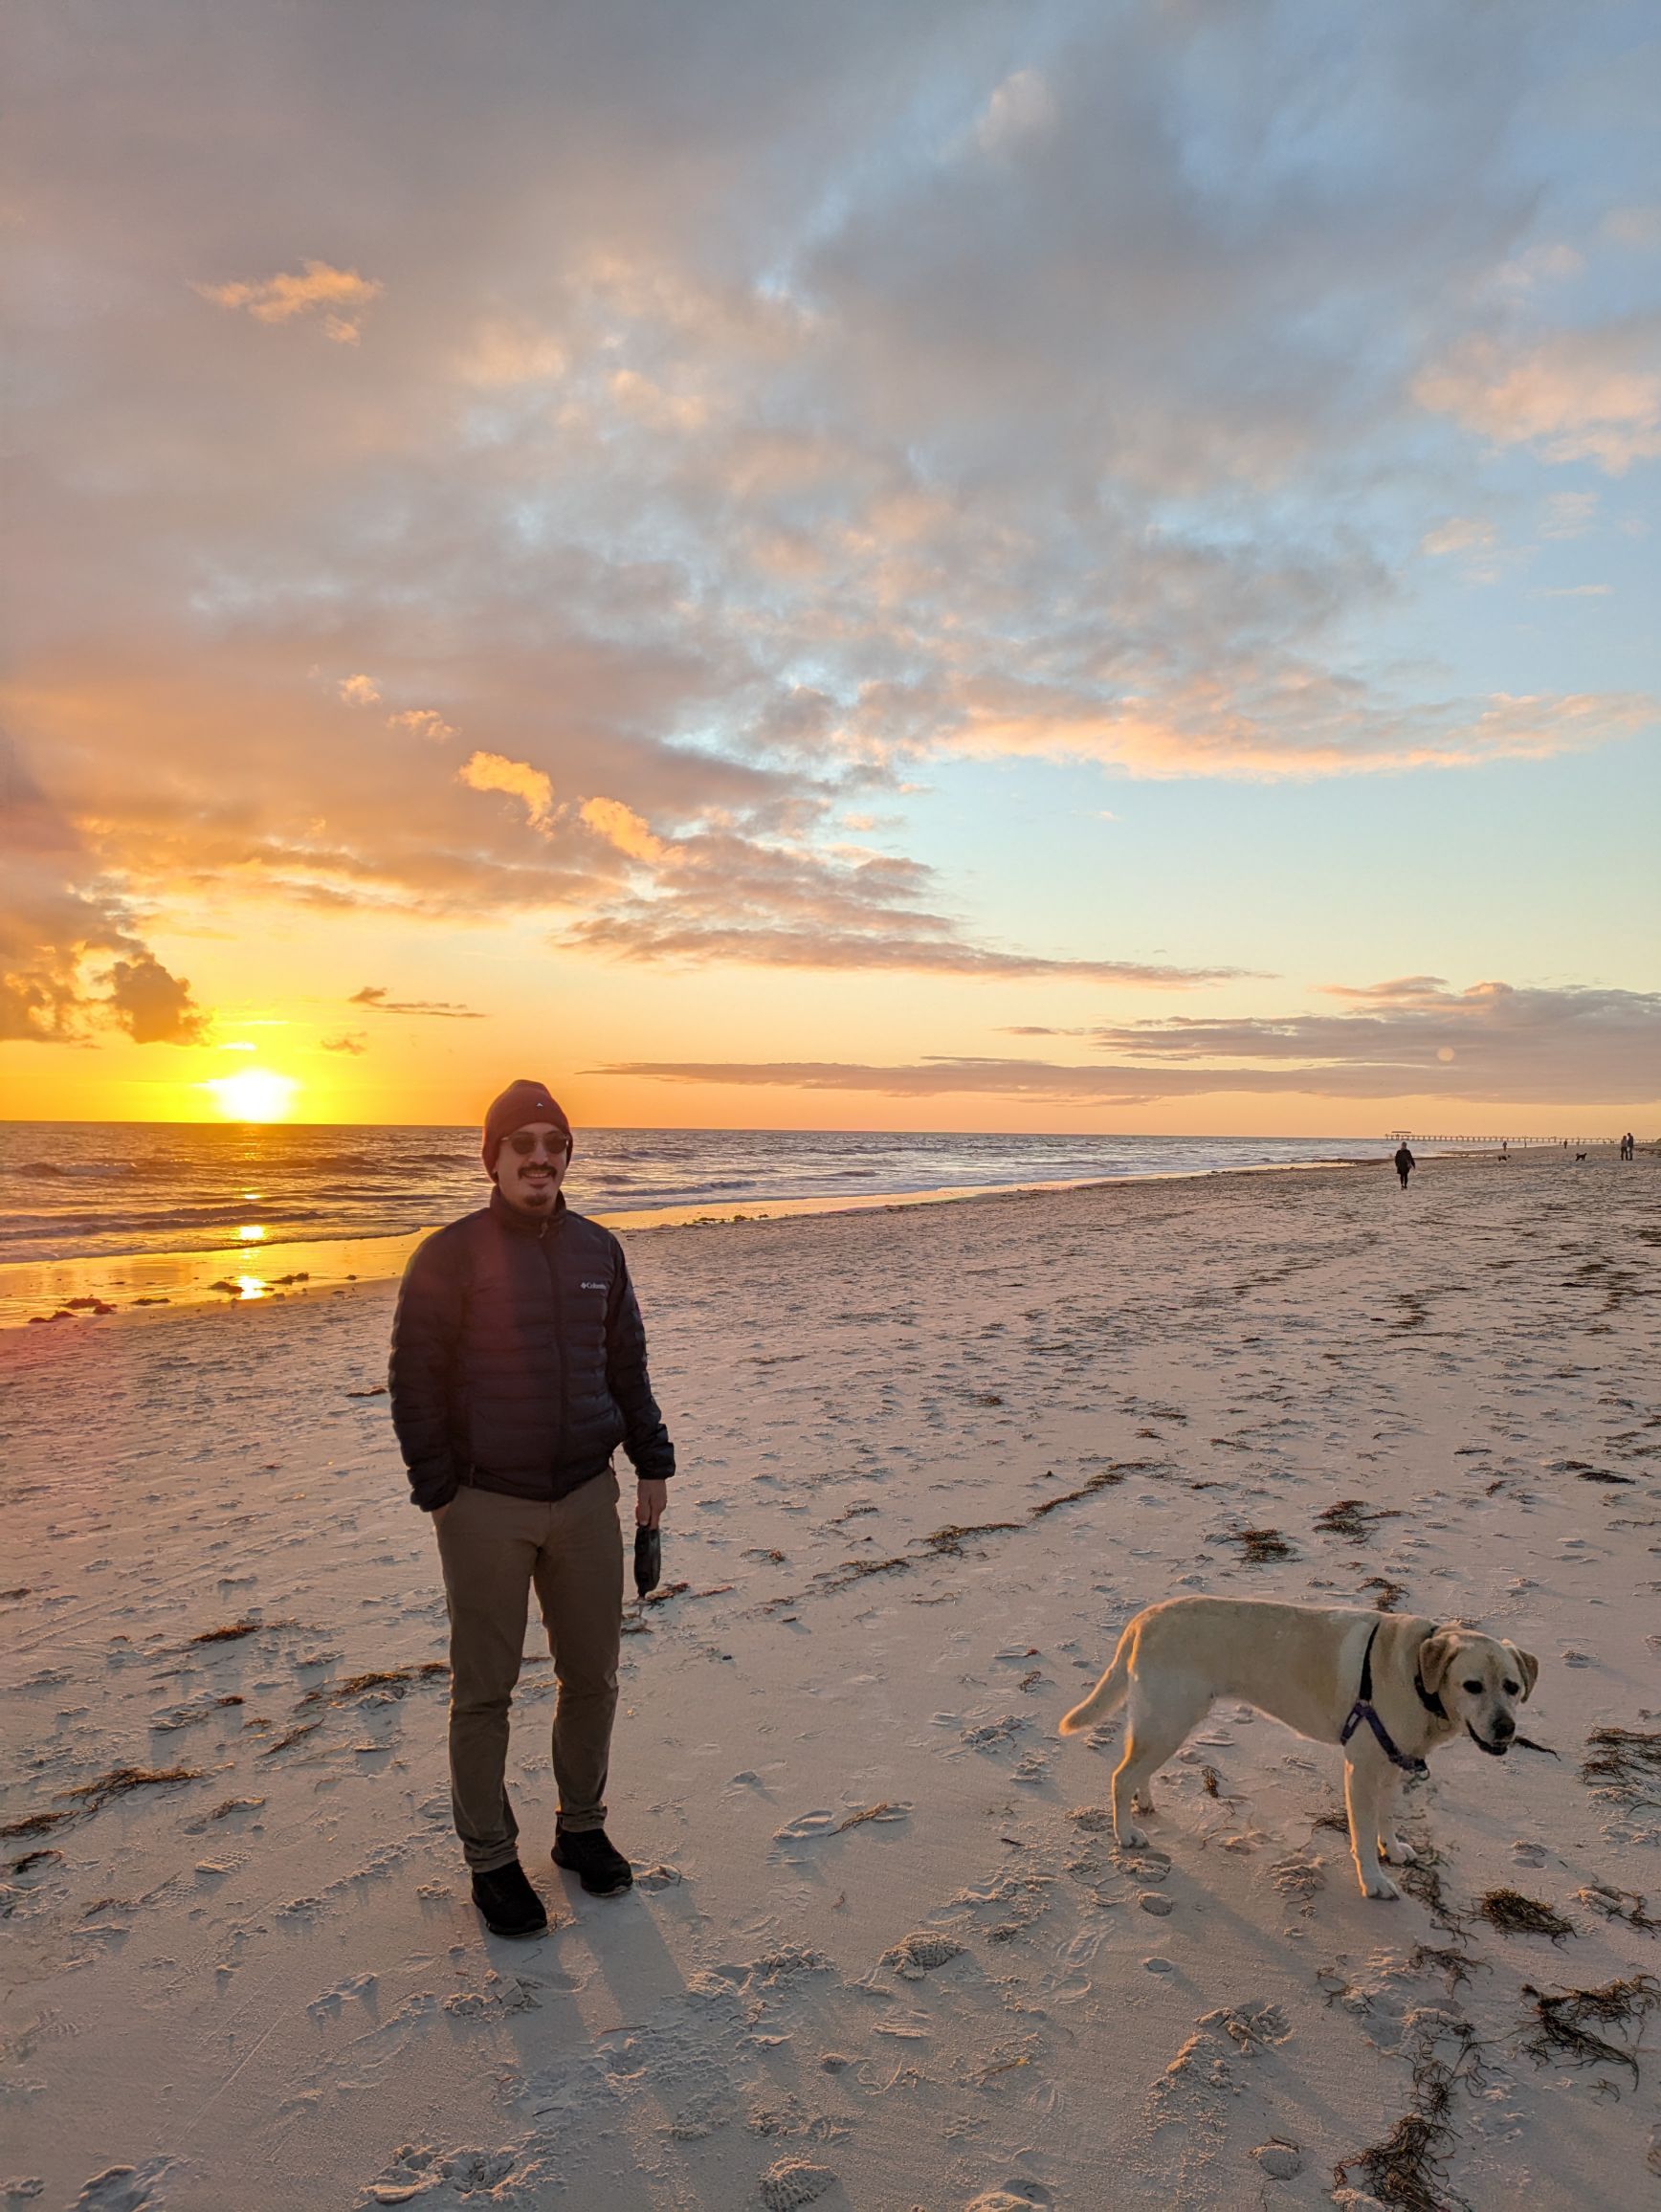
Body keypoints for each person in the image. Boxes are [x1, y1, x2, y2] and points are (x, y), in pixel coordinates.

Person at [389, 1078, 675, 1936]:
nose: (542, 1158)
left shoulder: (599, 1250)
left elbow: (626, 1365)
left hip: (588, 1496)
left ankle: (581, 1831)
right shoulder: (447, 1254)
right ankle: (491, 1860)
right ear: (495, 1157)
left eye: (555, 1144)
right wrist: (442, 1489)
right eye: (524, 1145)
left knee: (593, 1677)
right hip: (485, 1504)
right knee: (485, 1692)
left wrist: (651, 1462)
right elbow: (414, 1380)